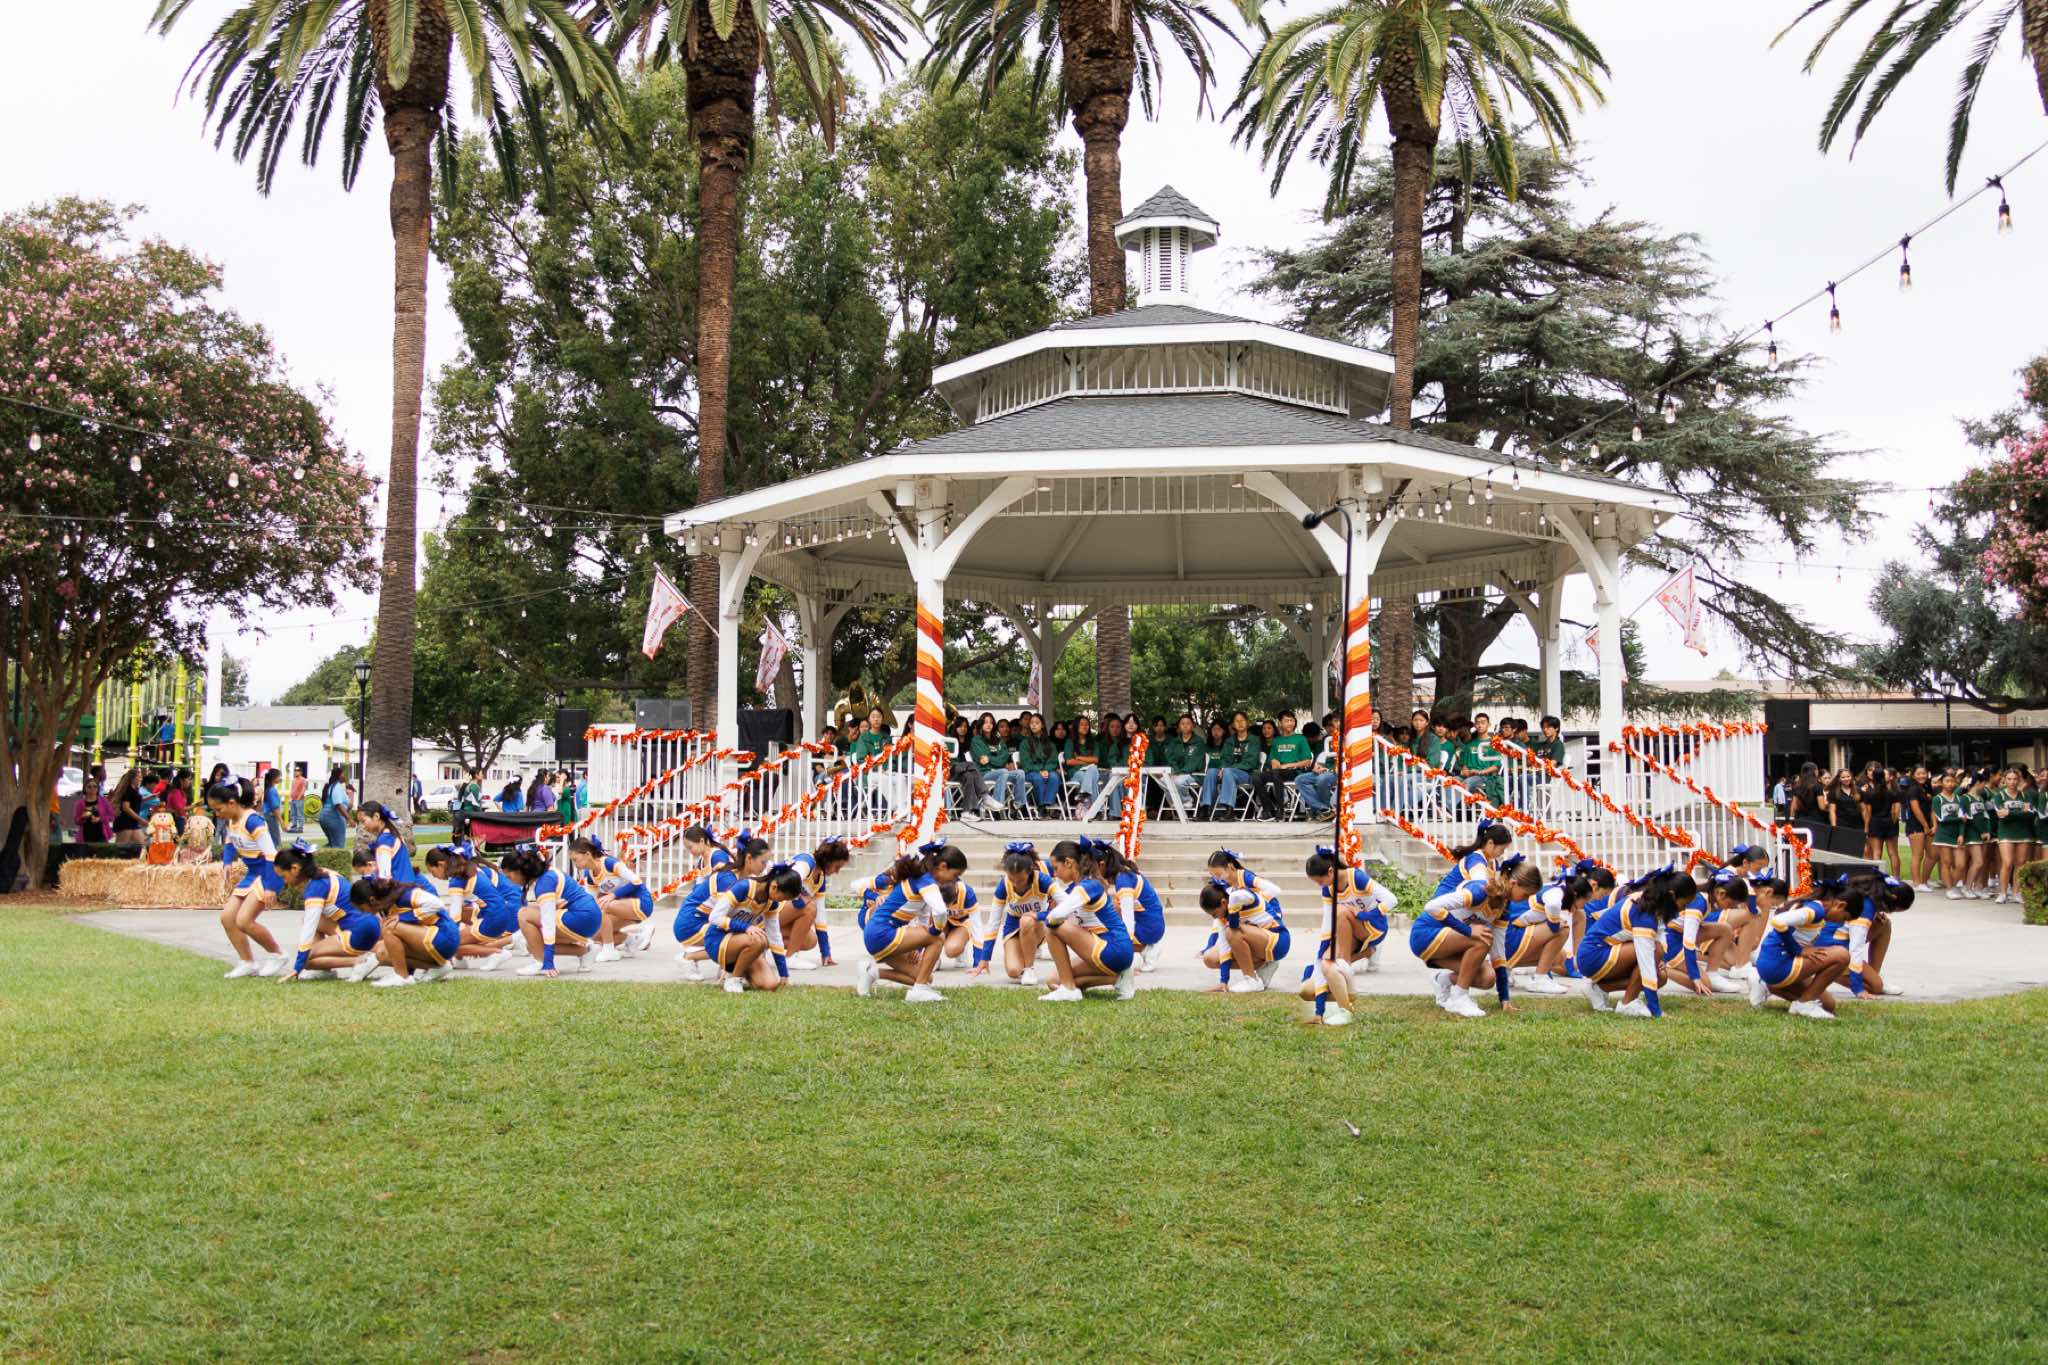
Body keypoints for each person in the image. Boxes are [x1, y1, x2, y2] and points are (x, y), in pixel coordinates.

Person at [1414, 858, 1541, 1018]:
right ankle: (1459, 998)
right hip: (1425, 935)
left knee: (1487, 978)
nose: (1527, 899)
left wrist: (1505, 999)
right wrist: (1468, 930)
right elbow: (1431, 907)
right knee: (1482, 937)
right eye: (1526, 894)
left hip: (1451, 944)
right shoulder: (1479, 890)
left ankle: (1442, 980)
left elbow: (1498, 953)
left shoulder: (1504, 907)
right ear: (1513, 883)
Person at [1574, 868, 1699, 1017]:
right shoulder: (1644, 913)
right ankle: (1627, 1004)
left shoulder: (1648, 900)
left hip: (1604, 951)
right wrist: (1656, 1010)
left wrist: (1659, 960)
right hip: (1592, 955)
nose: (1682, 910)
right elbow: (1647, 962)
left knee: (1661, 977)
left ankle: (1599, 989)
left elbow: (1659, 937)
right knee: (1655, 952)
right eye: (1683, 904)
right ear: (1672, 896)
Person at [857, 842, 970, 1003]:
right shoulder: (926, 881)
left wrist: (916, 948)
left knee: (925, 976)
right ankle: (919, 991)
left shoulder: (920, 879)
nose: (956, 879)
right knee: (938, 937)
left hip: (877, 935)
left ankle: (871, 973)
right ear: (943, 867)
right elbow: (940, 912)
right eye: (955, 875)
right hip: (882, 933)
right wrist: (935, 932)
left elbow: (923, 919)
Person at [1038, 838, 1137, 1002]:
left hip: (1113, 948)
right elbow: (1060, 912)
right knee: (1053, 981)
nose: (1054, 874)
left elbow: (1056, 916)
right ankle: (1117, 978)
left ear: (1068, 863)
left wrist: (1044, 918)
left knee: (1052, 928)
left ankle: (1069, 989)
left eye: (1056, 868)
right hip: (1112, 949)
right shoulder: (1082, 887)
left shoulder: (1089, 885)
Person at [212, 780, 289, 978]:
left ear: (232, 803)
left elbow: (271, 855)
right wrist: (227, 863)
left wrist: (270, 887)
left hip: (268, 873)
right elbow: (230, 842)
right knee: (227, 918)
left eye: (218, 809)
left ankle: (278, 954)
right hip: (253, 874)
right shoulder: (232, 820)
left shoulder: (254, 821)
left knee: (244, 920)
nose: (216, 814)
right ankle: (247, 962)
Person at [1747, 875, 1851, 1020]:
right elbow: (1778, 921)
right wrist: (1798, 950)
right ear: (1840, 906)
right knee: (1842, 955)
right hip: (1778, 963)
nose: (1842, 923)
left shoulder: (1814, 908)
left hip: (1776, 963)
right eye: (1845, 918)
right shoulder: (1815, 910)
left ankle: (1765, 984)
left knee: (1828, 1005)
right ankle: (1804, 1004)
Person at [276, 843, 381, 982]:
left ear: (295, 869)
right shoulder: (325, 873)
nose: (284, 882)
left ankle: (360, 961)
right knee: (309, 920)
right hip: (370, 925)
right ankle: (324, 970)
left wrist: (297, 967)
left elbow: (309, 928)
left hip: (358, 932)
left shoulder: (315, 889)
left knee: (306, 959)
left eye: (283, 876)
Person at [498, 845, 601, 978]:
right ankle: (586, 951)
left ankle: (540, 963)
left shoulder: (544, 883)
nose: (509, 881)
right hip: (591, 919)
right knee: (531, 943)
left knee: (523, 914)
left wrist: (548, 963)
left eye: (509, 876)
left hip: (580, 917)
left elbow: (548, 925)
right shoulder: (548, 873)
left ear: (519, 871)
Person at [424, 843, 525, 970]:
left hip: (496, 917)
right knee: (459, 930)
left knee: (450, 942)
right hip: (501, 912)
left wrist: (448, 936)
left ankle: (497, 952)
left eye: (432, 871)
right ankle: (460, 959)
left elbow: (455, 916)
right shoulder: (472, 869)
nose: (433, 876)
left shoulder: (457, 881)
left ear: (441, 864)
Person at [1201, 847, 1288, 992]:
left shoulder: (1245, 880)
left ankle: (1251, 979)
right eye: (1213, 875)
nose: (1216, 879)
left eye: (1218, 874)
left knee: (1233, 931)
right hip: (1251, 928)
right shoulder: (1229, 893)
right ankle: (1263, 967)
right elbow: (1221, 930)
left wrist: (1259, 902)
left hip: (1272, 932)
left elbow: (1275, 890)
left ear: (1230, 867)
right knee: (1210, 958)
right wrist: (1223, 980)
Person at [349, 875, 460, 989]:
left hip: (445, 936)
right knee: (382, 952)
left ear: (372, 900)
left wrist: (404, 917)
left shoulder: (405, 894)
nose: (364, 912)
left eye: (362, 909)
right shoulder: (384, 906)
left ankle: (402, 977)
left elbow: (437, 904)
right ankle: (437, 968)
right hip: (430, 939)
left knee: (389, 927)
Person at [704, 865, 798, 994]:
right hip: (717, 940)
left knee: (770, 985)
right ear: (774, 887)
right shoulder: (744, 887)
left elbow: (775, 937)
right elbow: (714, 917)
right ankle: (733, 979)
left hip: (744, 943)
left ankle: (736, 970)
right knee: (760, 939)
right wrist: (746, 927)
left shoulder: (772, 903)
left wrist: (783, 973)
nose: (783, 901)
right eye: (784, 898)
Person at [1307, 848, 1397, 981]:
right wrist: (1320, 954)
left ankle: (1346, 965)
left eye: (1320, 881)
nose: (1319, 885)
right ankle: (1367, 952)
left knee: (1340, 911)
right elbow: (1327, 922)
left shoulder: (1356, 877)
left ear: (1330, 871)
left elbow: (1391, 900)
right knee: (1327, 961)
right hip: (1349, 930)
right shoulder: (1328, 889)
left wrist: (1364, 915)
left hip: (1373, 928)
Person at [569, 835, 655, 961]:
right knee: (595, 934)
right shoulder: (589, 875)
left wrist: (613, 895)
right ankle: (633, 939)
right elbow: (591, 902)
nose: (575, 864)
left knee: (601, 906)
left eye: (575, 859)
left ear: (587, 854)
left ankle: (609, 950)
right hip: (620, 908)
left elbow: (636, 881)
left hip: (641, 903)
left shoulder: (609, 863)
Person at [781, 839, 851, 969]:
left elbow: (820, 918)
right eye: (837, 867)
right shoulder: (806, 862)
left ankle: (764, 942)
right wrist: (801, 899)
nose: (837, 872)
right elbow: (790, 880)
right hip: (765, 912)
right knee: (809, 907)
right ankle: (790, 958)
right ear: (828, 860)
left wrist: (826, 952)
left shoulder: (821, 879)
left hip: (779, 916)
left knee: (810, 941)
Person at [992, 842, 1053, 987]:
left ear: (1030, 871)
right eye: (1011, 879)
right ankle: (1030, 947)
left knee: (1027, 919)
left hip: (1038, 922)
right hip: (1014, 923)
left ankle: (1029, 969)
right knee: (1013, 971)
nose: (1015, 884)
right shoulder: (1004, 885)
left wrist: (1042, 915)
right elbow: (993, 923)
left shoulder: (1043, 876)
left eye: (1020, 880)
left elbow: (1064, 903)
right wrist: (983, 959)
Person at [1251, 710, 1315, 817]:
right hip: (1278, 771)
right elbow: (1272, 759)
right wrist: (1274, 761)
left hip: (1295, 771)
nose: (1290, 723)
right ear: (1280, 723)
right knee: (1256, 776)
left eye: (1291, 720)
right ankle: (1268, 808)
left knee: (1277, 773)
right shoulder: (1277, 740)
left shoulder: (1300, 739)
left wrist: (1288, 765)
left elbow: (1307, 761)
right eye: (1286, 721)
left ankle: (1280, 809)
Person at [1199, 712, 1260, 820]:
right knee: (1211, 771)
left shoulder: (1254, 740)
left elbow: (1251, 762)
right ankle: (1205, 808)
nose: (1240, 723)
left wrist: (1229, 768)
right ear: (1233, 725)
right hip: (1228, 772)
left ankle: (1229, 809)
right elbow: (1225, 758)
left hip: (1247, 774)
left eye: (1242, 720)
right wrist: (1223, 767)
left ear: (1247, 723)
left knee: (1228, 771)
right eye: (1237, 721)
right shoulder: (1230, 740)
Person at [358, 802, 417, 888]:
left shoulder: (384, 842)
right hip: (407, 885)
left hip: (399, 890)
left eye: (363, 821)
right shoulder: (392, 834)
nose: (363, 826)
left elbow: (385, 877)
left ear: (376, 816)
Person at [1017, 713, 1061, 812]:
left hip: (1047, 771)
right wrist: (1040, 770)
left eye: (1037, 723)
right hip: (1031, 772)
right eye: (1031, 723)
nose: (1033, 725)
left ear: (1043, 725)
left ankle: (1046, 804)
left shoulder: (1050, 743)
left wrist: (1046, 770)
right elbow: (1026, 763)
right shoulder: (1025, 743)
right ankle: (1042, 806)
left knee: (1054, 777)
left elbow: (1053, 761)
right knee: (1038, 778)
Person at [1900, 764, 1933, 889]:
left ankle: (1924, 881)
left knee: (1932, 855)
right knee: (1917, 855)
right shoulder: (1913, 789)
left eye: (1923, 773)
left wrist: (1931, 825)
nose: (1921, 776)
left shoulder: (1925, 788)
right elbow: (1916, 809)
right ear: (1913, 775)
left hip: (1927, 825)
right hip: (1916, 825)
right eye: (1918, 774)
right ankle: (1917, 883)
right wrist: (1925, 825)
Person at [1063, 715, 1105, 809]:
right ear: (1076, 726)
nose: (1085, 727)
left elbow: (1095, 760)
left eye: (1087, 724)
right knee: (1091, 774)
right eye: (1082, 724)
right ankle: (1097, 808)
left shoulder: (1094, 742)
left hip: (1091, 771)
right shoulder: (1070, 742)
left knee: (1092, 770)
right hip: (1076, 773)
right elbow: (1069, 761)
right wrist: (1088, 761)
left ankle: (1084, 794)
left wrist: (1079, 757)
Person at [109, 768, 146, 846]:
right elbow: (126, 808)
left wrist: (151, 797)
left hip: (132, 822)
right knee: (121, 847)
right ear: (132, 778)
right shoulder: (128, 790)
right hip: (125, 822)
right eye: (139, 777)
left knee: (141, 845)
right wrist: (140, 819)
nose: (141, 779)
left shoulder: (134, 790)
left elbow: (135, 802)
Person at [318, 765, 352, 847]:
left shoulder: (332, 786)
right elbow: (338, 804)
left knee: (332, 844)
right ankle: (315, 852)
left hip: (326, 817)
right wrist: (349, 819)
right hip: (333, 818)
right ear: (339, 776)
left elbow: (347, 805)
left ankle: (317, 852)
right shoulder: (336, 787)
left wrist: (350, 795)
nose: (345, 776)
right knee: (338, 846)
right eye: (343, 774)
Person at [72, 777, 112, 844]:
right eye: (89, 787)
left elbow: (111, 816)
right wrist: (82, 817)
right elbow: (76, 821)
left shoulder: (103, 801)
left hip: (101, 835)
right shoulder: (79, 804)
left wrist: (100, 819)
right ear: (85, 788)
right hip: (85, 836)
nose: (92, 788)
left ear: (98, 788)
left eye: (94, 786)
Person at [260, 769, 285, 848]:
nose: (280, 778)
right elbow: (275, 808)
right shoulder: (272, 790)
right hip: (271, 816)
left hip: (265, 815)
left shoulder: (266, 789)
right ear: (274, 778)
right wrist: (281, 822)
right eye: (279, 776)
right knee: (275, 840)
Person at [286, 763, 307, 833]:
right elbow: (292, 789)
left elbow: (303, 789)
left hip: (299, 800)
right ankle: (294, 826)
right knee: (293, 814)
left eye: (297, 771)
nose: (295, 772)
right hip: (293, 800)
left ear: (301, 772)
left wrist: (299, 797)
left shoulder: (303, 780)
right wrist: (290, 797)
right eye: (295, 771)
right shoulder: (294, 780)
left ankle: (300, 828)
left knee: (300, 814)